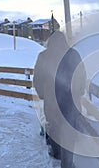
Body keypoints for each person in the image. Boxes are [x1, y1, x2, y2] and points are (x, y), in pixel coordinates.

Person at [33, 31, 86, 168]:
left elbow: (37, 80)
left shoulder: (44, 56)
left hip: (52, 103)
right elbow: (82, 76)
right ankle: (67, 163)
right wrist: (79, 91)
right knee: (69, 134)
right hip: (71, 103)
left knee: (54, 128)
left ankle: (56, 153)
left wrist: (42, 95)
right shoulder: (74, 55)